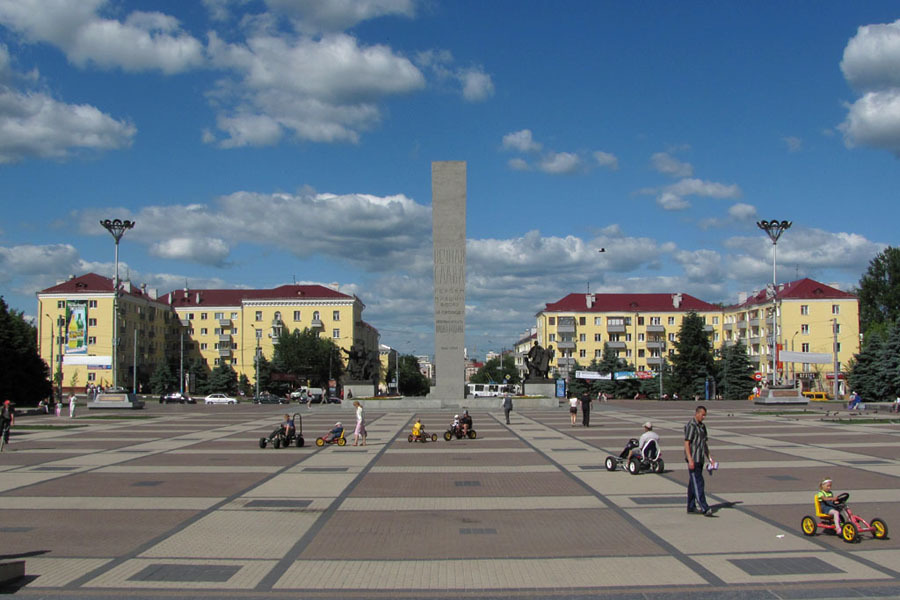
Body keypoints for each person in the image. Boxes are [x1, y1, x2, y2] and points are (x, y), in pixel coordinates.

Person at [684, 405, 715, 516]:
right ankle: (704, 507)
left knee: (693, 483)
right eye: (702, 415)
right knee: (698, 482)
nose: (704, 417)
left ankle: (691, 506)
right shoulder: (691, 426)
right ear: (697, 413)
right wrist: (690, 459)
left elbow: (704, 444)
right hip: (693, 459)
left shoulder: (702, 427)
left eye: (705, 415)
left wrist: (710, 458)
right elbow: (687, 443)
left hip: (700, 458)